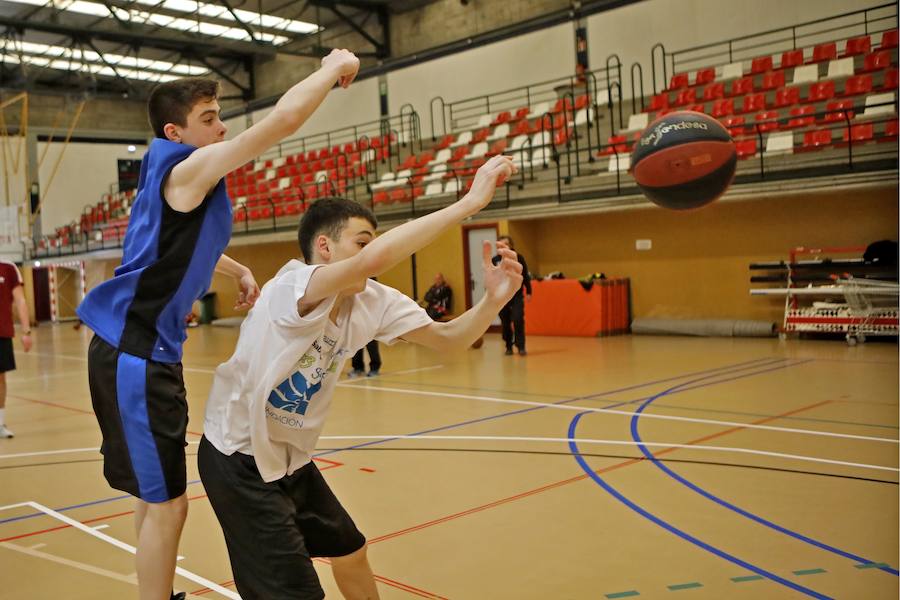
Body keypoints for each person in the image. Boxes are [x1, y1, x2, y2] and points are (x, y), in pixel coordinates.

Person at [76, 48, 362, 600]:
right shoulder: (186, 166)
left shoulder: (173, 177)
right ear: (175, 131)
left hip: (144, 353)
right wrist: (330, 69)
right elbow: (281, 121)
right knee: (169, 505)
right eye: (208, 118)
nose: (221, 125)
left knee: (154, 499)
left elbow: (173, 247)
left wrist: (234, 268)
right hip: (134, 354)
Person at [198, 155, 521, 600]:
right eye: (361, 243)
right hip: (237, 459)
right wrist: (467, 204)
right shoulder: (292, 288)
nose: (372, 256)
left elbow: (448, 340)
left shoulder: (373, 299)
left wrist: (493, 302)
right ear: (326, 248)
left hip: (289, 458)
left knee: (350, 552)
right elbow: (380, 257)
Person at [0, 261, 32, 438]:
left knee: (0, 379)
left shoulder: (8, 268)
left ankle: (0, 423)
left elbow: (20, 300)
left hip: (1, 333)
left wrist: (26, 331)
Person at [492, 235, 532, 355]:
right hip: (501, 295)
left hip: (516, 294)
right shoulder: (495, 260)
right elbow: (491, 278)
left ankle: (521, 346)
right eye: (500, 244)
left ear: (511, 246)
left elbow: (525, 275)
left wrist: (529, 291)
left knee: (518, 318)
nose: (503, 246)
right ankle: (508, 345)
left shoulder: (518, 257)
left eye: (506, 244)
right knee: (505, 321)